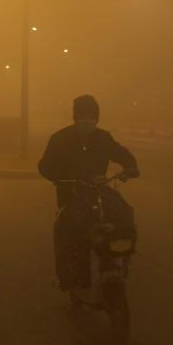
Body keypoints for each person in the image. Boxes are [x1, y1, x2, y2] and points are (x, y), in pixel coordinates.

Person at [38, 94, 140, 289]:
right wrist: (58, 176)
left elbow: (120, 153)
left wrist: (130, 167)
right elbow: (45, 166)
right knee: (69, 232)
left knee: (124, 213)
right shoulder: (60, 139)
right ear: (75, 118)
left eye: (92, 116)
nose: (87, 120)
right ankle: (69, 277)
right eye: (83, 116)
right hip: (71, 193)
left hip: (99, 192)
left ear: (97, 118)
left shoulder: (103, 138)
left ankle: (122, 260)